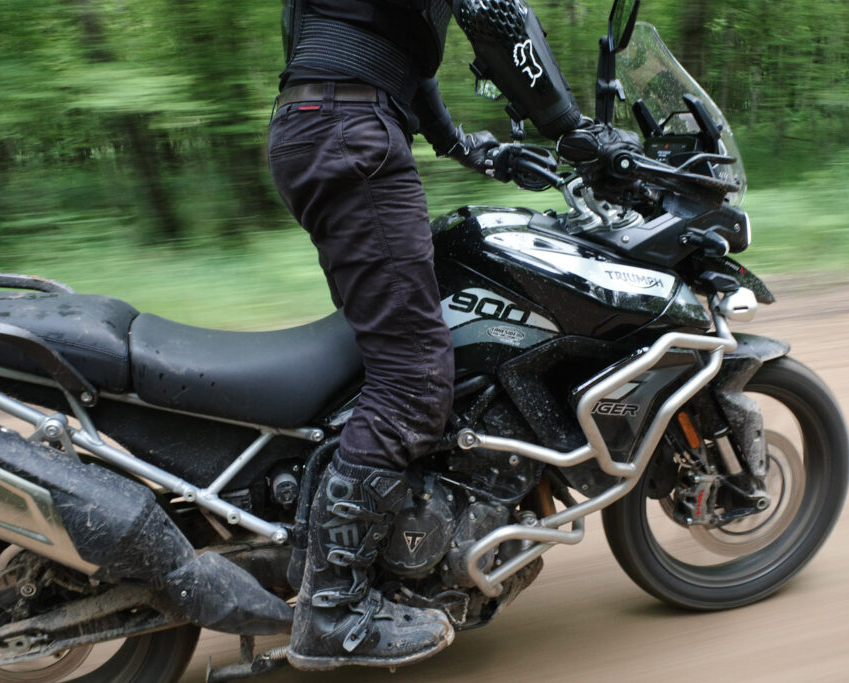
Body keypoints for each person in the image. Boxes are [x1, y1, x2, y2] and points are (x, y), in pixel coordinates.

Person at [269, 0, 633, 670]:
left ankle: (365, 549)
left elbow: (397, 40)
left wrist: (460, 143)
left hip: (326, 124)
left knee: (393, 349)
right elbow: (491, 9)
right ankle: (332, 610)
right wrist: (570, 129)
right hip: (350, 134)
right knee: (412, 379)